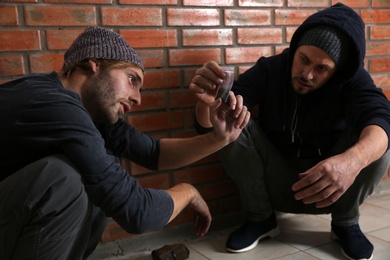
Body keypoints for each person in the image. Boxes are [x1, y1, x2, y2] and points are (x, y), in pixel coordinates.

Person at [0, 26, 250, 259]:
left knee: (91, 179)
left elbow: (153, 152)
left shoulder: (89, 114)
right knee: (63, 179)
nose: (137, 98)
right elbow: (136, 211)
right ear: (93, 64)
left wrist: (220, 138)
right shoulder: (53, 103)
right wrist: (188, 192)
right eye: (132, 80)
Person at [190, 3, 390, 260]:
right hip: (277, 183)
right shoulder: (271, 69)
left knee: (378, 140)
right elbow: (208, 125)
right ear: (295, 49)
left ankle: (346, 223)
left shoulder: (353, 80)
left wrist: (352, 162)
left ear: (337, 71)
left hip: (333, 190)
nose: (307, 74)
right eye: (303, 59)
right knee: (230, 119)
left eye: (322, 69)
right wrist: (205, 103)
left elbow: (382, 117)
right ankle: (260, 219)